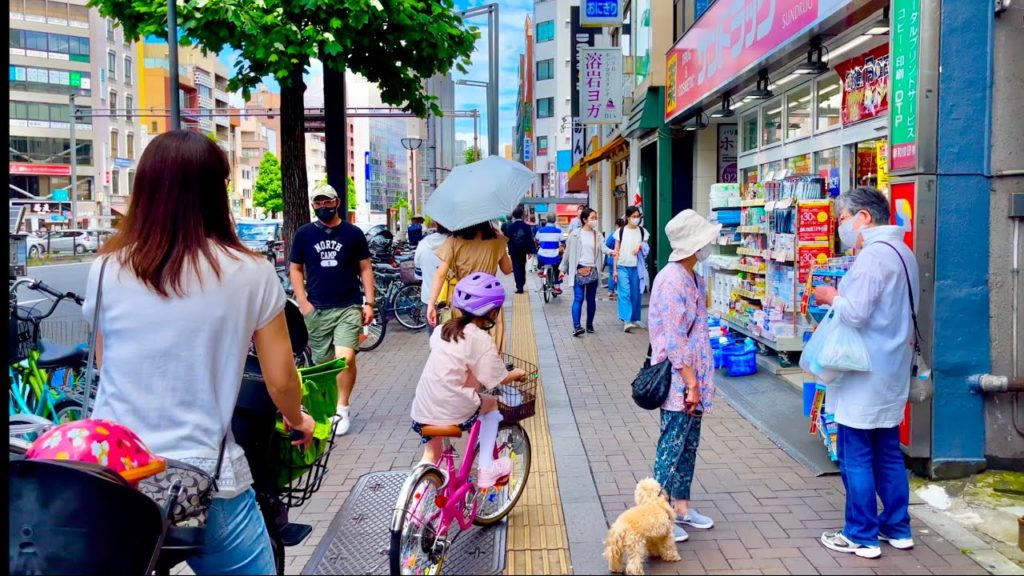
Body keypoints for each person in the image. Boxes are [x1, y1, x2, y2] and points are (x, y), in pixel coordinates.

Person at [83, 130, 315, 575]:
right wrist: (297, 417)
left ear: (144, 190)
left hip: (117, 476)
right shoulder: (251, 273)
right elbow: (281, 379)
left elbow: (104, 363)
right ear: (217, 191)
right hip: (206, 475)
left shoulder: (105, 270)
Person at [812, 186, 920, 559]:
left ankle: (861, 534)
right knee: (888, 452)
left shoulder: (873, 257)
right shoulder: (903, 253)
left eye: (843, 219)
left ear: (865, 218)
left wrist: (830, 297)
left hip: (864, 371)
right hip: (892, 369)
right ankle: (897, 527)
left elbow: (855, 313)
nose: (841, 226)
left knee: (856, 453)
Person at [410, 273, 527, 487]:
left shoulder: (441, 330)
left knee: (431, 455)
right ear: (492, 311)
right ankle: (487, 467)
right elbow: (497, 378)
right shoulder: (481, 339)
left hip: (422, 408)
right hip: (453, 408)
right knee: (490, 404)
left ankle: (414, 504)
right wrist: (517, 374)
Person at [648, 209, 721, 544]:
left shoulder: (693, 275)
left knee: (688, 445)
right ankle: (658, 516)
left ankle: (681, 508)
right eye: (705, 240)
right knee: (672, 446)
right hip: (681, 379)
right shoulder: (672, 279)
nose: (710, 245)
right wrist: (691, 382)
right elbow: (675, 339)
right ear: (694, 246)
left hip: (695, 378)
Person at [289, 181, 375, 437]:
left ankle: (342, 408)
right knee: (323, 364)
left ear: (337, 203)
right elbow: (295, 268)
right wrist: (303, 302)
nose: (323, 206)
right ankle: (324, 409)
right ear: (313, 205)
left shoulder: (353, 234)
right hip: (317, 310)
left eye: (328, 201)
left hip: (348, 305)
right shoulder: (304, 234)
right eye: (318, 202)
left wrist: (369, 302)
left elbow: (365, 267)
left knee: (345, 358)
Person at [426, 221, 513, 354]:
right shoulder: (497, 239)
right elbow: (507, 270)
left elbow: (441, 274)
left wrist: (431, 304)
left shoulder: (453, 241)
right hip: (490, 302)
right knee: (491, 348)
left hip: (463, 301)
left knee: (463, 347)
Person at [560, 207, 611, 337]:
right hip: (579, 269)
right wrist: (562, 269)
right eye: (592, 218)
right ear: (584, 219)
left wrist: (612, 252)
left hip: (593, 269)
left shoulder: (597, 234)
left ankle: (589, 324)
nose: (595, 220)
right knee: (578, 297)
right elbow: (567, 252)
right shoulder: (575, 234)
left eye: (596, 218)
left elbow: (603, 248)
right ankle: (577, 326)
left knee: (591, 299)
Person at [613, 206, 651, 333]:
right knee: (625, 293)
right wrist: (614, 270)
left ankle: (635, 318)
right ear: (628, 217)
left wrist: (640, 245)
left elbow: (645, 246)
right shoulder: (620, 231)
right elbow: (616, 251)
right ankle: (627, 320)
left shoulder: (642, 231)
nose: (636, 219)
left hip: (637, 267)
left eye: (638, 216)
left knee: (636, 294)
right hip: (622, 266)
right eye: (634, 216)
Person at [414, 223, 450, 340]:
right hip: (451, 300)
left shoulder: (423, 244)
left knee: (434, 341)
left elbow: (418, 275)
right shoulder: (456, 243)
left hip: (429, 299)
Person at [505, 205, 536, 294]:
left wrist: (508, 248)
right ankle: (522, 283)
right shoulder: (526, 227)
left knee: (516, 267)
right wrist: (531, 251)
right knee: (522, 266)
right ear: (522, 215)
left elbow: (507, 239)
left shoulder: (510, 227)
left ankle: (519, 286)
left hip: (514, 250)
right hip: (523, 250)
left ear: (514, 215)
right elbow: (530, 239)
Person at [535, 218, 563, 295]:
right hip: (554, 257)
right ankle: (557, 287)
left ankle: (540, 270)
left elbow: (536, 240)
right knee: (557, 269)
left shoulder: (540, 230)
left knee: (539, 256)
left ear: (547, 221)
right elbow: (563, 241)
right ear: (555, 221)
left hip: (542, 257)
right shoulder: (558, 230)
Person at [606, 218, 625, 299]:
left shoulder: (613, 234)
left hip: (613, 257)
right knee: (621, 274)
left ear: (616, 225)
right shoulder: (625, 233)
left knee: (611, 274)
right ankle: (618, 290)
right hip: (622, 257)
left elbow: (607, 244)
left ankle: (611, 291)